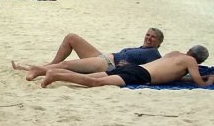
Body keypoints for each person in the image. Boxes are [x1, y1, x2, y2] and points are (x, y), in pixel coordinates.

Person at [12, 28, 163, 81]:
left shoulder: (153, 53)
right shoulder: (142, 48)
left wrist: (129, 66)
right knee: (71, 37)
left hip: (108, 65)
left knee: (67, 65)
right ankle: (47, 66)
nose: (149, 38)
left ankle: (36, 70)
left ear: (158, 43)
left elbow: (151, 70)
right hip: (103, 56)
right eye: (148, 35)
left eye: (153, 37)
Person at [41, 46, 212, 88]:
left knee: (97, 77)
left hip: (136, 69)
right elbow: (198, 82)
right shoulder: (190, 62)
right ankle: (56, 75)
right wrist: (209, 80)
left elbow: (172, 74)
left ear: (189, 50)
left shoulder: (175, 54)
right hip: (141, 76)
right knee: (95, 83)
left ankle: (54, 71)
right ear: (199, 61)